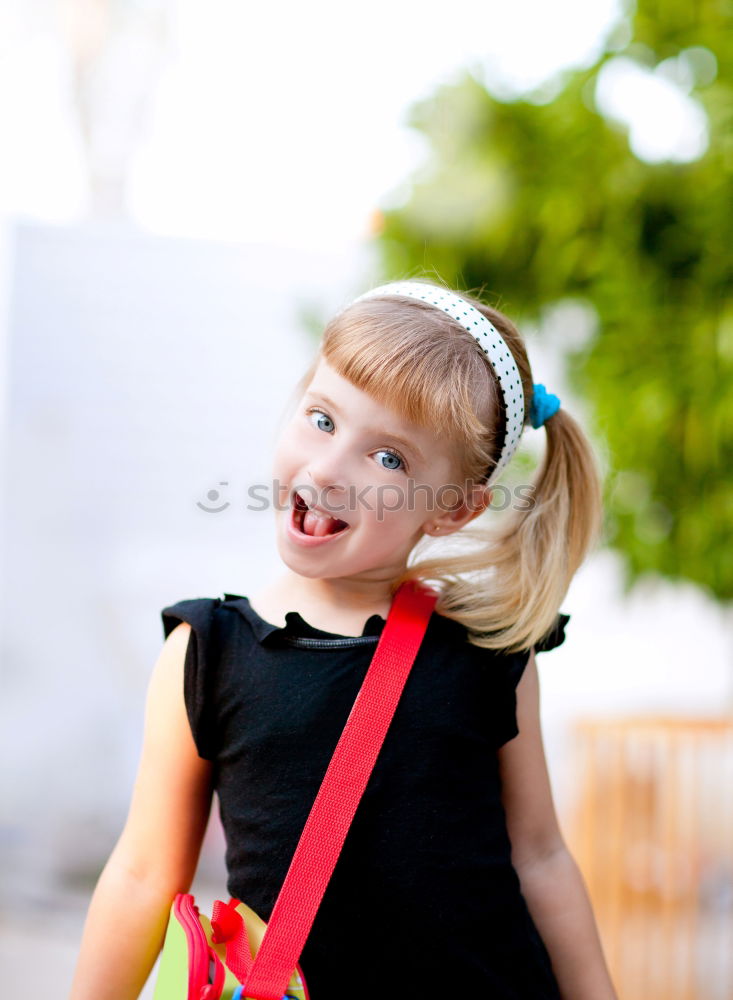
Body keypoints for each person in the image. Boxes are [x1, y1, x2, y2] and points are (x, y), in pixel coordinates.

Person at [70, 279, 618, 999]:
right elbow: (144, 873)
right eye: (322, 419)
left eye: (388, 459)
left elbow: (541, 857)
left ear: (454, 508)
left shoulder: (489, 655)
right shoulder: (207, 654)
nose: (328, 469)